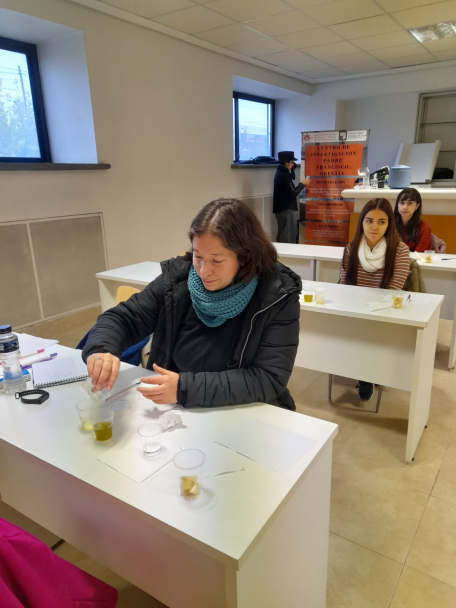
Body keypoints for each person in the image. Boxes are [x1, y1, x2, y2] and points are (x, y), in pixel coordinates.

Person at [82, 199, 301, 411]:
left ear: (245, 257)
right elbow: (123, 318)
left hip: (239, 410)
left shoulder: (276, 296)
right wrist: (101, 349)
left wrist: (184, 388)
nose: (204, 270)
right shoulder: (177, 281)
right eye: (198, 256)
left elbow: (268, 378)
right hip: (174, 409)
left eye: (217, 260)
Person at [339, 198, 410, 401]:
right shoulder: (351, 249)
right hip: (355, 311)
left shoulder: (400, 251)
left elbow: (393, 289)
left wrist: (367, 311)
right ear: (361, 222)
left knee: (368, 332)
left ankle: (366, 375)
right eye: (369, 220)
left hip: (384, 312)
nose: (374, 227)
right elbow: (345, 287)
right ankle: (365, 372)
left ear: (389, 224)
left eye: (381, 222)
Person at [273, 151, 310, 243]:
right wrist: (302, 184)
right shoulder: (284, 176)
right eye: (292, 162)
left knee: (282, 233)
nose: (293, 163)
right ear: (286, 163)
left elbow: (291, 178)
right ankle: (287, 254)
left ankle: (280, 255)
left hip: (280, 209)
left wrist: (292, 170)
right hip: (286, 209)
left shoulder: (280, 172)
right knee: (288, 235)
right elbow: (293, 192)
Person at [393, 188, 431, 252]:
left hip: (412, 261)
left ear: (417, 206)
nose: (405, 207)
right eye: (402, 203)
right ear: (397, 205)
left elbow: (419, 255)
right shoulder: (389, 224)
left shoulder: (424, 228)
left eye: (410, 203)